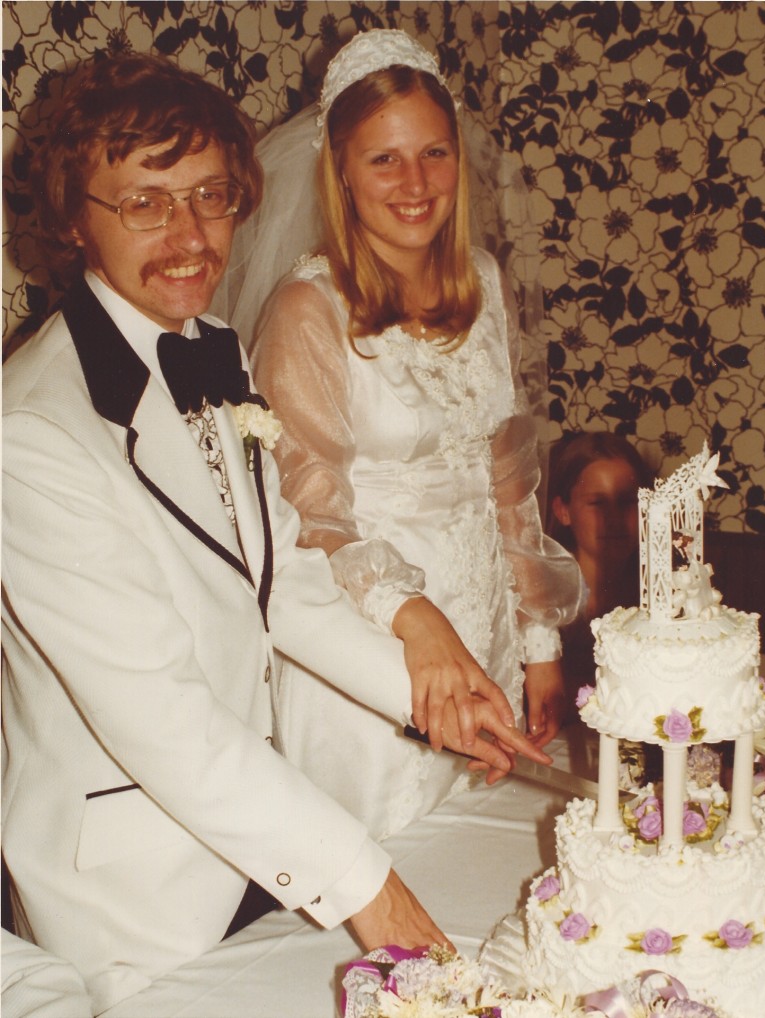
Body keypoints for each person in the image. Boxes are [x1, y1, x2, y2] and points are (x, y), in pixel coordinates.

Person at [1, 52, 551, 1016]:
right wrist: (366, 882)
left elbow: (283, 582)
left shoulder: (210, 349)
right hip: (138, 898)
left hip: (265, 839)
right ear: (74, 215)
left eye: (211, 195)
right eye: (145, 202)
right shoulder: (33, 434)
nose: (189, 234)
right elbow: (161, 720)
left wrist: (426, 701)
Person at [229, 30, 582, 842]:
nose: (416, 183)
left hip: (481, 630)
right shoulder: (306, 310)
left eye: (433, 152)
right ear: (341, 170)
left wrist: (537, 642)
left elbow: (509, 480)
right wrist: (416, 621)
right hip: (376, 651)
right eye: (384, 159)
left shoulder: (483, 282)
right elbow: (306, 520)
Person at [547, 430, 653, 715]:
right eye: (597, 503)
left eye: (626, 501)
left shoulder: (657, 591)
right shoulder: (543, 595)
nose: (613, 520)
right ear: (563, 510)